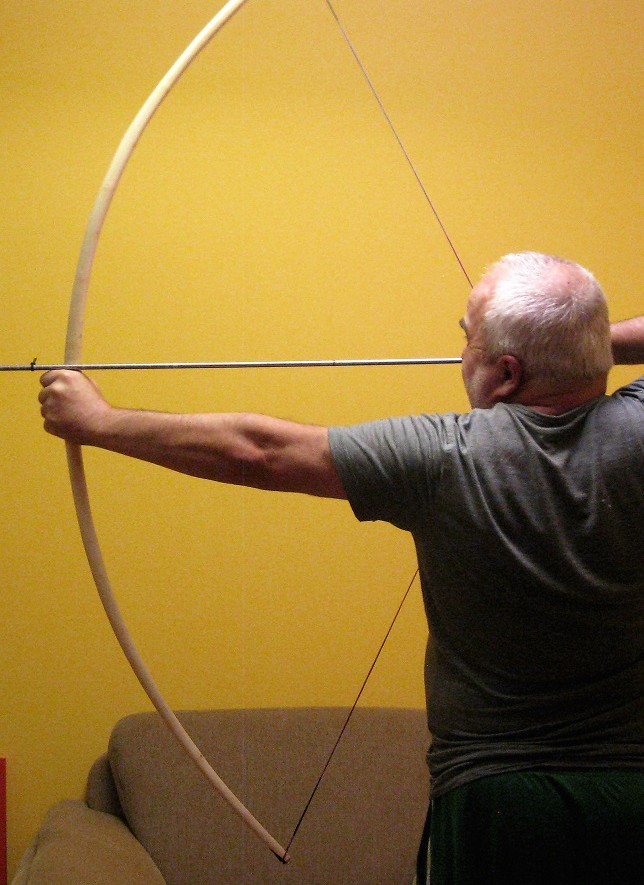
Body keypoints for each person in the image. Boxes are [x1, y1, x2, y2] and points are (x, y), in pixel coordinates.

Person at [39, 252, 644, 884]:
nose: (462, 352)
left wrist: (99, 422)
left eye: (470, 339)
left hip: (502, 803)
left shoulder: (447, 458)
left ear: (506, 373)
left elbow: (261, 452)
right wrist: (576, 344)